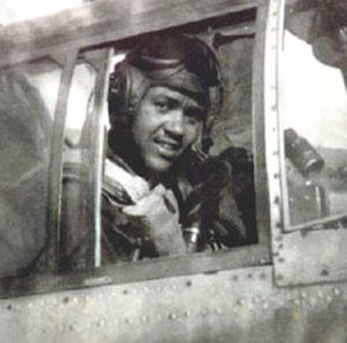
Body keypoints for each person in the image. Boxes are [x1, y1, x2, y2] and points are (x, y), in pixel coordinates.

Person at [60, 33, 246, 269]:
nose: (177, 129)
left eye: (192, 115)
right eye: (164, 106)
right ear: (126, 102)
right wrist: (172, 251)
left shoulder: (195, 180)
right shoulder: (81, 194)